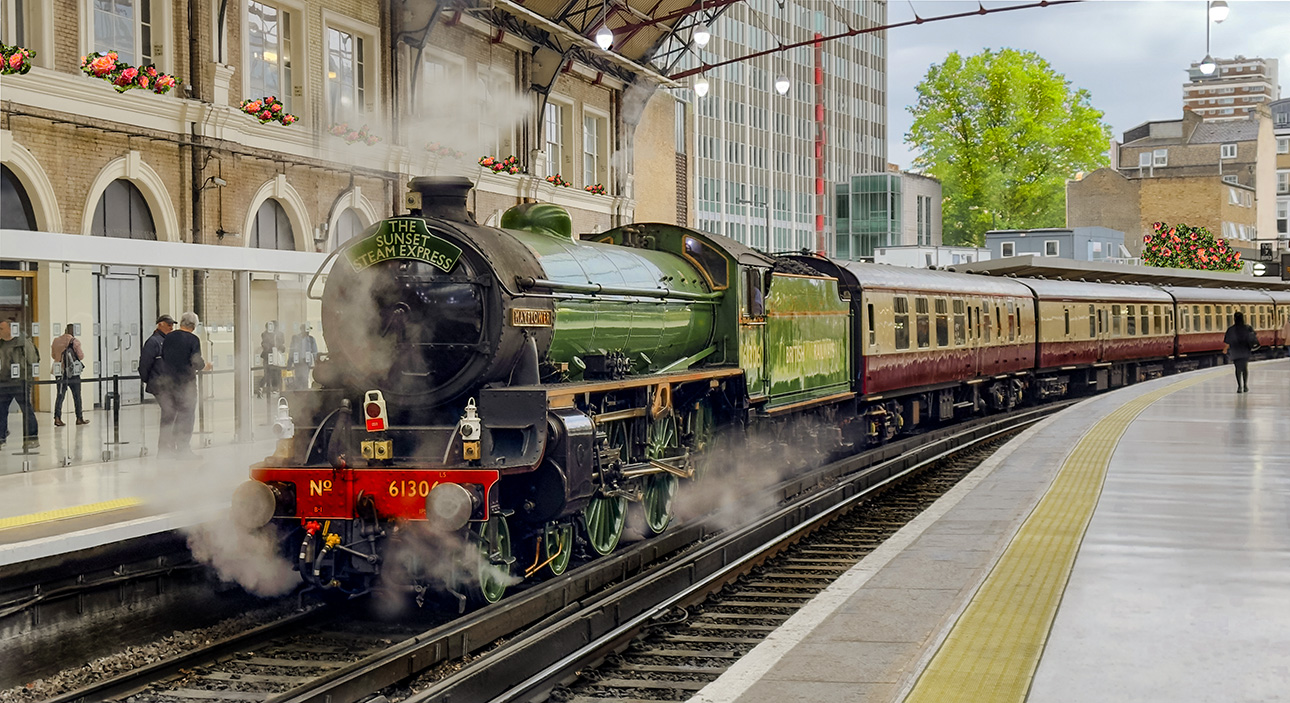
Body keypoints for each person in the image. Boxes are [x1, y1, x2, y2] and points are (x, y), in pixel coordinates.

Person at [157, 312, 211, 456]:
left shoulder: (169, 337)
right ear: (193, 326)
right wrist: (205, 365)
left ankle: (164, 450)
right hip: (186, 384)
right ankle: (183, 449)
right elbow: (196, 362)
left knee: (168, 416)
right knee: (186, 416)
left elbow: (163, 356)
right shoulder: (193, 340)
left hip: (168, 383)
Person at [0, 318, 40, 449]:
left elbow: (33, 360)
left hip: (20, 381)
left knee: (26, 409)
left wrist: (25, 376)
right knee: (1, 409)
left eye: (1, 329)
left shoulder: (23, 342)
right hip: (4, 382)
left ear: (10, 329)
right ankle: (1, 437)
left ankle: (31, 438)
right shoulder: (1, 343)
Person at [141, 314, 176, 454]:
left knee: (172, 413)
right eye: (168, 324)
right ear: (160, 324)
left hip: (169, 384)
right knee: (169, 411)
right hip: (159, 384)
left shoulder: (168, 341)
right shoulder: (153, 342)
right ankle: (164, 445)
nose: (171, 327)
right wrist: (149, 379)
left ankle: (168, 443)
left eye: (172, 324)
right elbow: (145, 364)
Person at [51, 324, 88, 427]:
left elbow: (53, 355)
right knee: (77, 395)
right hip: (73, 372)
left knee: (60, 395)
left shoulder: (56, 341)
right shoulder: (75, 341)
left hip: (60, 371)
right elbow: (81, 356)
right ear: (73, 331)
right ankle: (79, 418)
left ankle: (57, 418)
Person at [1222, 311, 1258, 394]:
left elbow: (1227, 341)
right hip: (1245, 350)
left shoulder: (1231, 329)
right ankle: (1245, 385)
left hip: (1235, 350)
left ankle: (1239, 386)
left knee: (1237, 368)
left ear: (1234, 319)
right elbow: (1254, 337)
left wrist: (1225, 349)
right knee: (1245, 367)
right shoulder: (1248, 328)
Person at [256, 322, 285, 397]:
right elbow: (265, 344)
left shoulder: (278, 335)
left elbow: (282, 346)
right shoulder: (265, 335)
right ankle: (264, 388)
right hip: (268, 357)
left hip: (275, 356)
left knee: (275, 373)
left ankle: (272, 389)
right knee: (269, 374)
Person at [289, 324, 318, 390]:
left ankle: (304, 393)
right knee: (298, 378)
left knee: (304, 378)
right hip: (298, 361)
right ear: (302, 330)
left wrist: (316, 363)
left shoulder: (311, 339)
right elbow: (292, 350)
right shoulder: (295, 338)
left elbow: (314, 352)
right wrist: (289, 363)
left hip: (306, 362)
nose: (308, 331)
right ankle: (299, 393)